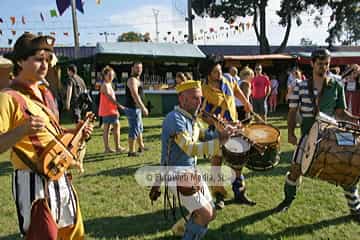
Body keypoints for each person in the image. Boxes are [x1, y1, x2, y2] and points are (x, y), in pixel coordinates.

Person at [0, 33, 93, 239]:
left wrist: (76, 133)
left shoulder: (46, 93)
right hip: (33, 185)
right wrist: (21, 130)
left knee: (73, 234)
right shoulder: (7, 98)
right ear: (20, 61)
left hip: (60, 178)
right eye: (38, 59)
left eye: (48, 60)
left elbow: (52, 135)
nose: (45, 65)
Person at [275, 48, 360, 222]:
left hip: (332, 132)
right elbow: (292, 112)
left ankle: (356, 209)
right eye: (320, 64)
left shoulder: (336, 85)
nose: (324, 67)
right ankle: (287, 200)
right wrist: (290, 133)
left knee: (349, 166)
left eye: (327, 64)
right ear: (312, 63)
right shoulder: (299, 86)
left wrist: (356, 120)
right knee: (295, 170)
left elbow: (341, 112)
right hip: (307, 133)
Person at [150, 80, 233, 239]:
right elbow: (190, 148)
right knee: (205, 213)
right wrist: (221, 140)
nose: (199, 102)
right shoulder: (174, 119)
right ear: (182, 99)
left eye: (200, 98)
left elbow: (206, 136)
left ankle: (182, 229)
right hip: (175, 174)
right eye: (195, 98)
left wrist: (224, 129)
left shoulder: (191, 119)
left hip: (190, 173)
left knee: (211, 212)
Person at [200, 58, 254, 209]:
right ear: (208, 74)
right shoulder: (203, 89)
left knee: (237, 162)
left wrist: (246, 102)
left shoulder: (228, 78)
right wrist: (215, 123)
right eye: (215, 72)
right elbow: (202, 114)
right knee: (217, 163)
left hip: (235, 126)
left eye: (219, 70)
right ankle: (219, 196)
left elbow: (236, 89)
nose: (219, 74)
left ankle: (240, 193)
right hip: (216, 131)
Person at [98, 65, 126, 153]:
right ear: (104, 75)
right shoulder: (105, 85)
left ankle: (110, 148)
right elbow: (110, 98)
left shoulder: (108, 84)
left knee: (109, 128)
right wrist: (119, 106)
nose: (111, 77)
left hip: (110, 110)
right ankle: (114, 147)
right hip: (108, 110)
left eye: (112, 75)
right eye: (109, 75)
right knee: (113, 127)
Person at [125, 62, 148, 157]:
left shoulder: (137, 79)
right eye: (137, 68)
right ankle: (131, 151)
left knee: (139, 128)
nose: (139, 69)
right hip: (133, 108)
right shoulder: (132, 80)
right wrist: (143, 107)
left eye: (140, 68)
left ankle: (141, 146)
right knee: (134, 129)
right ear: (132, 68)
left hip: (136, 108)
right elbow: (135, 95)